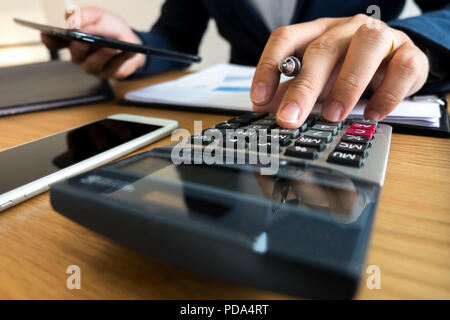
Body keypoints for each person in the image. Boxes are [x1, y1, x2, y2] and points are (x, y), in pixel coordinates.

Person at [42, 0, 450, 129]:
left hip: (360, 114)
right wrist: (131, 45)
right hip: (240, 122)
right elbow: (174, 37)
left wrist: (409, 41)